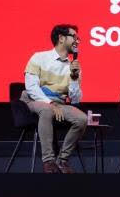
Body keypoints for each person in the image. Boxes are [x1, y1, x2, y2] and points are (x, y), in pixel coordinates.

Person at [20, 24, 87, 173]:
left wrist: (74, 77)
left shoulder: (73, 67)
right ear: (61, 38)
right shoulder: (39, 58)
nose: (77, 41)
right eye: (74, 37)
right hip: (34, 100)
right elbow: (31, 87)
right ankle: (49, 161)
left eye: (78, 38)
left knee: (82, 119)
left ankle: (62, 160)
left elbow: (75, 100)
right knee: (47, 110)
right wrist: (50, 103)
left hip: (59, 103)